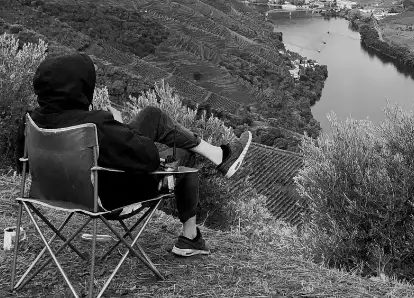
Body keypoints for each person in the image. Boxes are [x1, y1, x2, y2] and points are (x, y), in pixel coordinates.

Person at [18, 52, 252, 257]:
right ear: (78, 87)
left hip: (56, 192)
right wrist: (120, 126)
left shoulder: (32, 122)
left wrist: (117, 132)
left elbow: (22, 164)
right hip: (111, 199)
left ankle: (216, 163)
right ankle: (190, 234)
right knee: (168, 137)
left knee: (166, 134)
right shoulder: (93, 125)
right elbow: (148, 157)